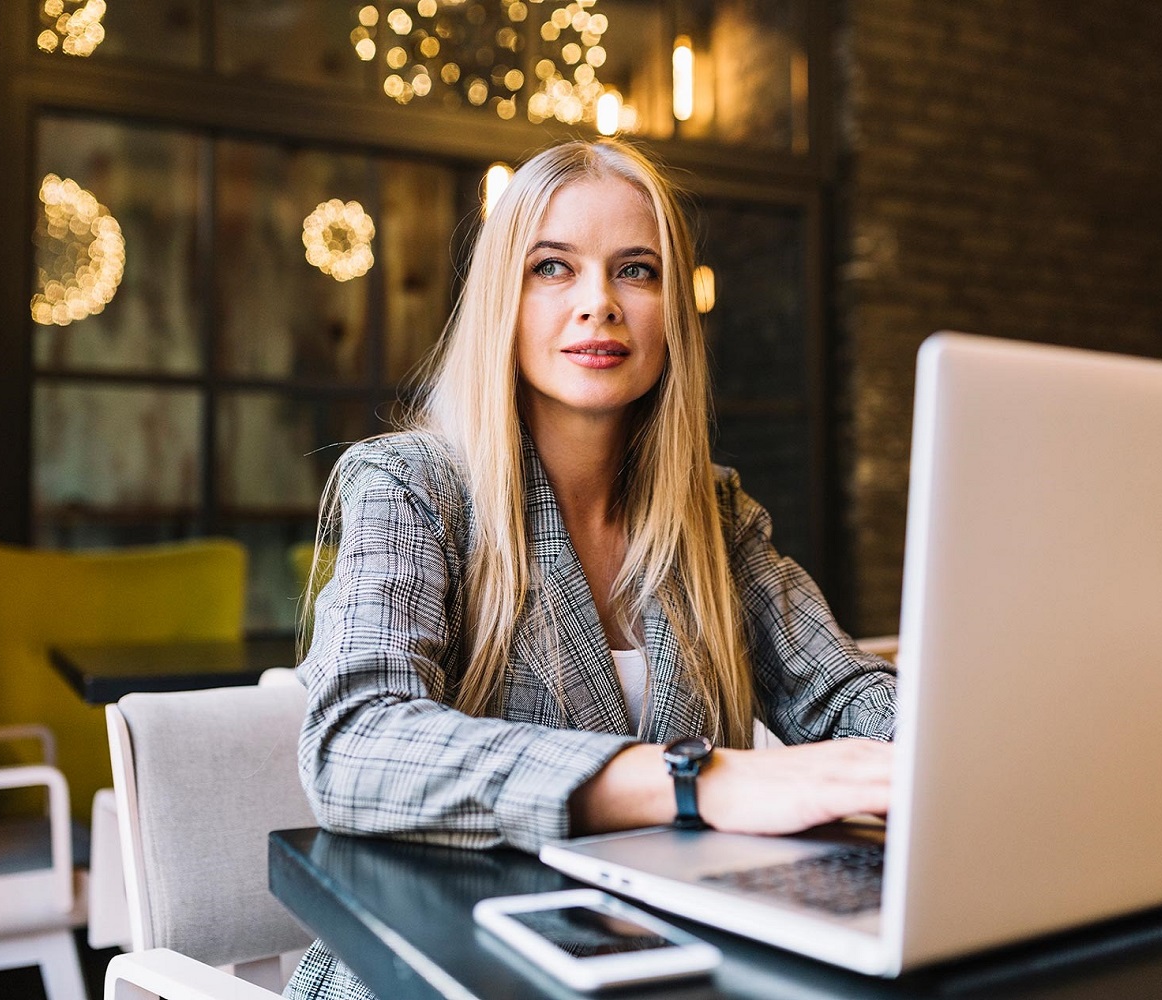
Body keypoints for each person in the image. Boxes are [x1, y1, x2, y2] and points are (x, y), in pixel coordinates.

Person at [284, 139, 896, 1000]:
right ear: (504, 297)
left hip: (663, 967)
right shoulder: (411, 484)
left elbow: (842, 695)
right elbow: (354, 743)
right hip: (436, 974)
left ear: (673, 309)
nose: (598, 304)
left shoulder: (714, 516)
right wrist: (698, 782)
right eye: (553, 268)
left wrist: (971, 746)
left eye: (636, 271)